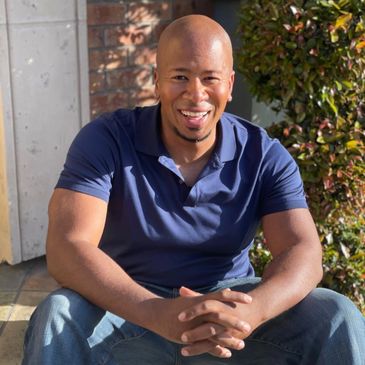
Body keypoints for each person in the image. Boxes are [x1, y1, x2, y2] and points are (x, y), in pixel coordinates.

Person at [23, 15, 364, 365]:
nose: (196, 94)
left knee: (337, 314)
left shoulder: (263, 155)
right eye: (180, 77)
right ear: (157, 80)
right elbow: (67, 246)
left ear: (230, 85)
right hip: (130, 311)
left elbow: (302, 249)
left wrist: (254, 311)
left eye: (210, 78)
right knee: (58, 314)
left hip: (230, 312)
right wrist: (157, 312)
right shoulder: (106, 140)